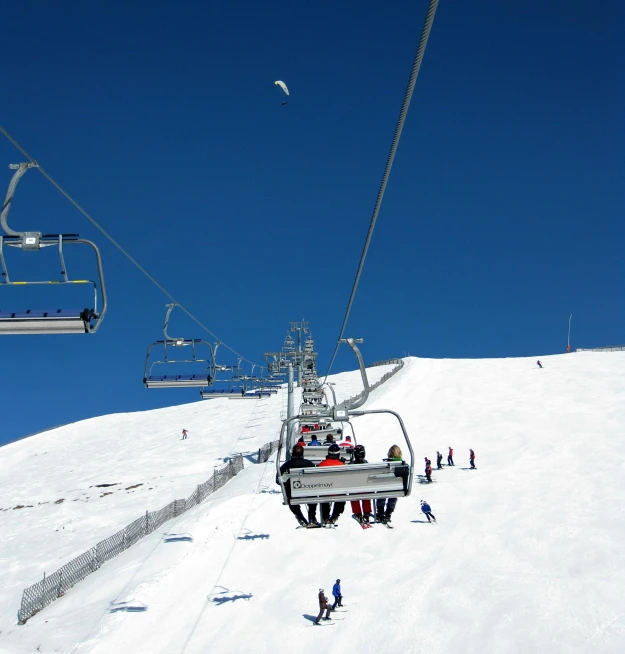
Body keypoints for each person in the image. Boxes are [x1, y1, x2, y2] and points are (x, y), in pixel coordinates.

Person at [277, 445, 319, 527]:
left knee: (290, 497)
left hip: (292, 494)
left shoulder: (286, 466)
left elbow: (278, 480)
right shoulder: (309, 464)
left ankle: (300, 517)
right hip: (308, 492)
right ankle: (312, 517)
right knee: (313, 494)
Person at [318, 444, 346, 525]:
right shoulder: (341, 465)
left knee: (324, 493)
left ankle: (325, 517)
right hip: (338, 492)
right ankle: (335, 516)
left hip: (324, 492)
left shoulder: (321, 465)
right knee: (341, 494)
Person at [376, 444, 403, 524]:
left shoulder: (386, 464)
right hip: (396, 487)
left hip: (385, 487)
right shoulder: (402, 464)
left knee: (382, 493)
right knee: (393, 495)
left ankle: (380, 512)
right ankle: (388, 514)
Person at [349, 445, 372, 524]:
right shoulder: (368, 465)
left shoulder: (351, 465)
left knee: (352, 491)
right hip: (366, 490)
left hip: (355, 490)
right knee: (366, 490)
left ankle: (358, 514)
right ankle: (367, 513)